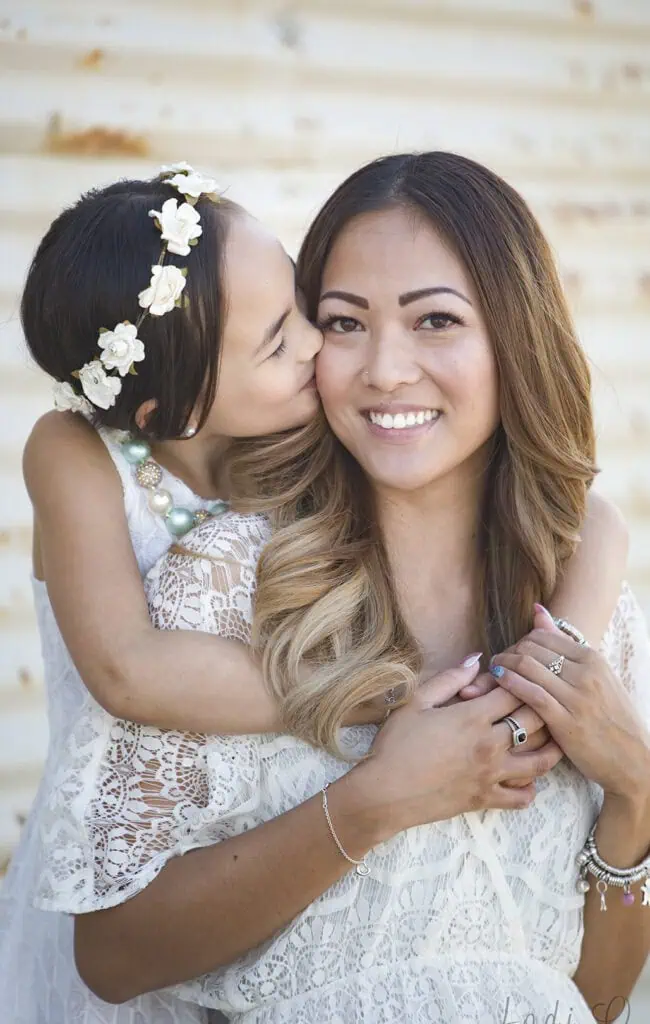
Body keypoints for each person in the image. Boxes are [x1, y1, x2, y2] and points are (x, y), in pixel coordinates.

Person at [32, 152, 650, 1024]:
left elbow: (597, 1002)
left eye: (436, 320)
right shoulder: (223, 590)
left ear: (517, 335)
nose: (386, 370)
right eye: (344, 322)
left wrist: (637, 794)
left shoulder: (599, 619)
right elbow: (112, 954)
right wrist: (370, 802)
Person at [1, 163, 325, 1023]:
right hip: (130, 875)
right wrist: (358, 695)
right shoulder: (77, 458)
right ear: (167, 413)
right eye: (279, 342)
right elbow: (128, 670)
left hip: (260, 855)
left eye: (301, 306)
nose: (318, 345)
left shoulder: (307, 437)